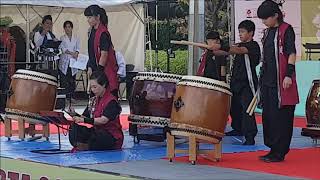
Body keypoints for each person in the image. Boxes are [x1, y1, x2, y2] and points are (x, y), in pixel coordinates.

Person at [257, 0, 299, 162]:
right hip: (267, 81)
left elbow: (291, 53)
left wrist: (289, 74)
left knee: (281, 118)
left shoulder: (286, 30)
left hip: (282, 81)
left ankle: (279, 151)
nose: (264, 22)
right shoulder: (267, 33)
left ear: (275, 15)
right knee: (268, 116)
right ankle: (273, 148)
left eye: (266, 18)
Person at [211, 20, 260, 145]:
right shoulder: (239, 45)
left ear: (251, 33)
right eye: (239, 32)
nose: (240, 34)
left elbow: (239, 50)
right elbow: (225, 52)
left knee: (247, 109)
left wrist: (221, 46)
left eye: (243, 32)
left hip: (247, 83)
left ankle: (250, 136)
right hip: (236, 81)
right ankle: (238, 128)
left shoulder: (253, 46)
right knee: (234, 107)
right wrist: (211, 48)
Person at [68, 70, 123, 151]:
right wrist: (74, 114)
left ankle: (87, 146)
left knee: (100, 137)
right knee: (74, 127)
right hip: (96, 131)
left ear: (103, 85)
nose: (92, 90)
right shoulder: (93, 100)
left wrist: (83, 119)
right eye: (91, 87)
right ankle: (84, 144)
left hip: (110, 135)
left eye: (95, 87)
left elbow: (103, 120)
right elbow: (84, 117)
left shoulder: (112, 101)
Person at [84, 5, 119, 97]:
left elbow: (104, 55)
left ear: (98, 17)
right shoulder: (91, 31)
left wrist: (98, 72)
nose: (88, 20)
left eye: (90, 17)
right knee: (94, 101)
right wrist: (90, 67)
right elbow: (91, 52)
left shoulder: (103, 33)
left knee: (107, 97)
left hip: (105, 70)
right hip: (95, 69)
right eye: (87, 17)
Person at [59, 20, 80, 99]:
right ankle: (65, 97)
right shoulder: (62, 38)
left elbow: (78, 48)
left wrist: (77, 53)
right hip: (65, 61)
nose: (67, 29)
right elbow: (64, 49)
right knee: (65, 79)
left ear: (72, 28)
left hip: (73, 61)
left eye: (69, 27)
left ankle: (72, 96)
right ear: (64, 28)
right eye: (66, 27)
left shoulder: (76, 37)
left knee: (72, 79)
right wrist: (72, 53)